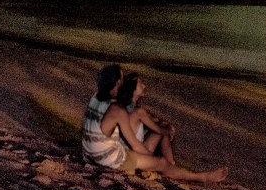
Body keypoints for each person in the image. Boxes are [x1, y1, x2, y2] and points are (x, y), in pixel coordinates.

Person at [87, 69, 228, 183]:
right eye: (140, 84)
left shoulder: (118, 106)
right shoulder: (132, 111)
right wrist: (165, 133)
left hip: (118, 152)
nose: (144, 86)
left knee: (161, 132)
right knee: (162, 149)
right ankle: (199, 176)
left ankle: (170, 167)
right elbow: (138, 142)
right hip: (122, 155)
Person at [116, 71, 177, 164]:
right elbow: (159, 130)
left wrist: (162, 124)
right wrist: (169, 130)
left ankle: (169, 163)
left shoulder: (121, 108)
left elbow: (152, 120)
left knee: (160, 126)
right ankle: (171, 164)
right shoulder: (138, 112)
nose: (144, 86)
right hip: (135, 157)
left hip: (121, 153)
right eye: (140, 83)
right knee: (162, 131)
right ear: (132, 89)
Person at [82, 62, 124, 167]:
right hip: (106, 159)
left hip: (88, 154)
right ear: (118, 82)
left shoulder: (95, 97)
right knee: (161, 163)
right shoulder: (114, 106)